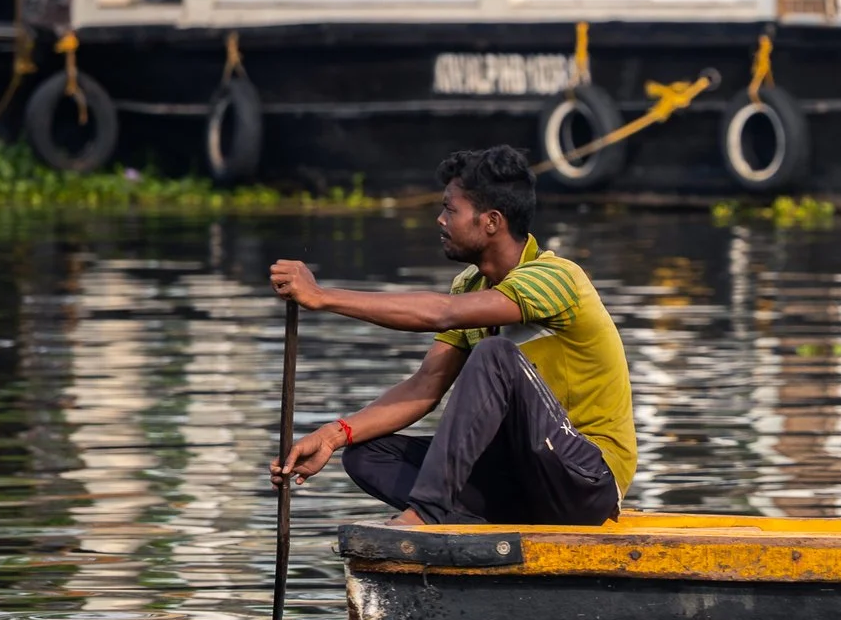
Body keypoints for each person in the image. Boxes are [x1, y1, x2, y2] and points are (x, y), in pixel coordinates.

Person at [266, 145, 634, 527]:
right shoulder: (471, 286)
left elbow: (442, 314)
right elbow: (424, 386)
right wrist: (332, 435)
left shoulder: (557, 278)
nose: (440, 220)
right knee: (366, 453)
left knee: (496, 356)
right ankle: (468, 523)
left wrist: (322, 297)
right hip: (522, 484)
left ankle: (427, 512)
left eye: (450, 210)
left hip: (586, 479)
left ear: (491, 222)